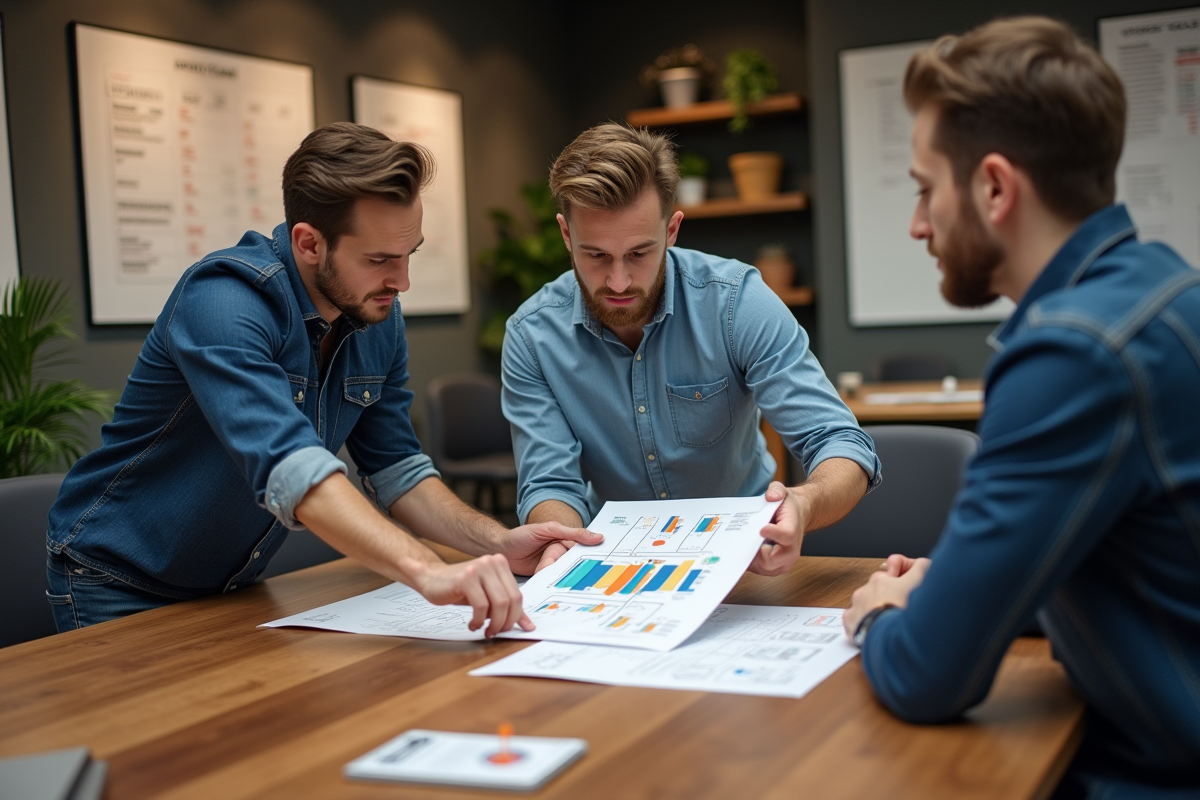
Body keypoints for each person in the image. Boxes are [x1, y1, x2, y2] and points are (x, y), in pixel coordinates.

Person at [46, 123, 599, 636]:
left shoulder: (375, 313)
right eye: (381, 259)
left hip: (231, 586)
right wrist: (426, 570)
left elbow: (398, 470)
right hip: (118, 584)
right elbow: (290, 466)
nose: (402, 281)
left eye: (411, 255)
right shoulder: (221, 300)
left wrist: (498, 542)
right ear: (310, 243)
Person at [841, 17, 1200, 798]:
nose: (917, 224)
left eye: (925, 189)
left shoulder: (1071, 354)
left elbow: (929, 677)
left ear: (996, 187)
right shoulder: (1165, 288)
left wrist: (878, 616)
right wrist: (962, 584)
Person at [501, 123, 879, 576]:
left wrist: (804, 501)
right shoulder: (532, 335)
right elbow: (550, 483)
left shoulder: (737, 303)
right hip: (615, 562)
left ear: (672, 229)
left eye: (640, 253)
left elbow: (840, 441)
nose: (618, 282)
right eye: (596, 255)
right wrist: (561, 539)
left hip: (744, 559)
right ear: (566, 235)